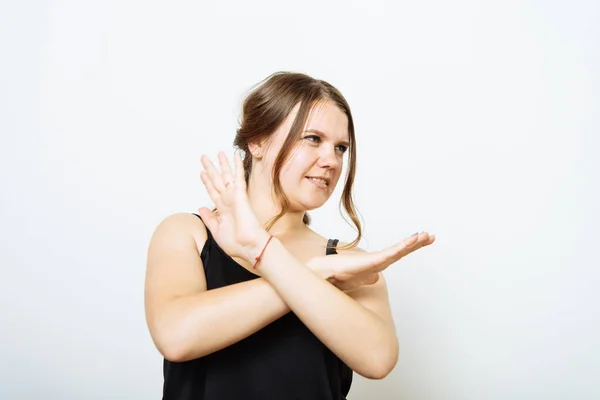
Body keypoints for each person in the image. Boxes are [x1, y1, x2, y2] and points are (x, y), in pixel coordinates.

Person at [144, 71, 435, 400]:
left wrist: (265, 253)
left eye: (341, 148)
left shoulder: (350, 263)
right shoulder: (188, 234)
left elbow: (378, 359)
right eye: (313, 138)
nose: (331, 161)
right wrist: (312, 275)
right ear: (258, 141)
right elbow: (176, 336)